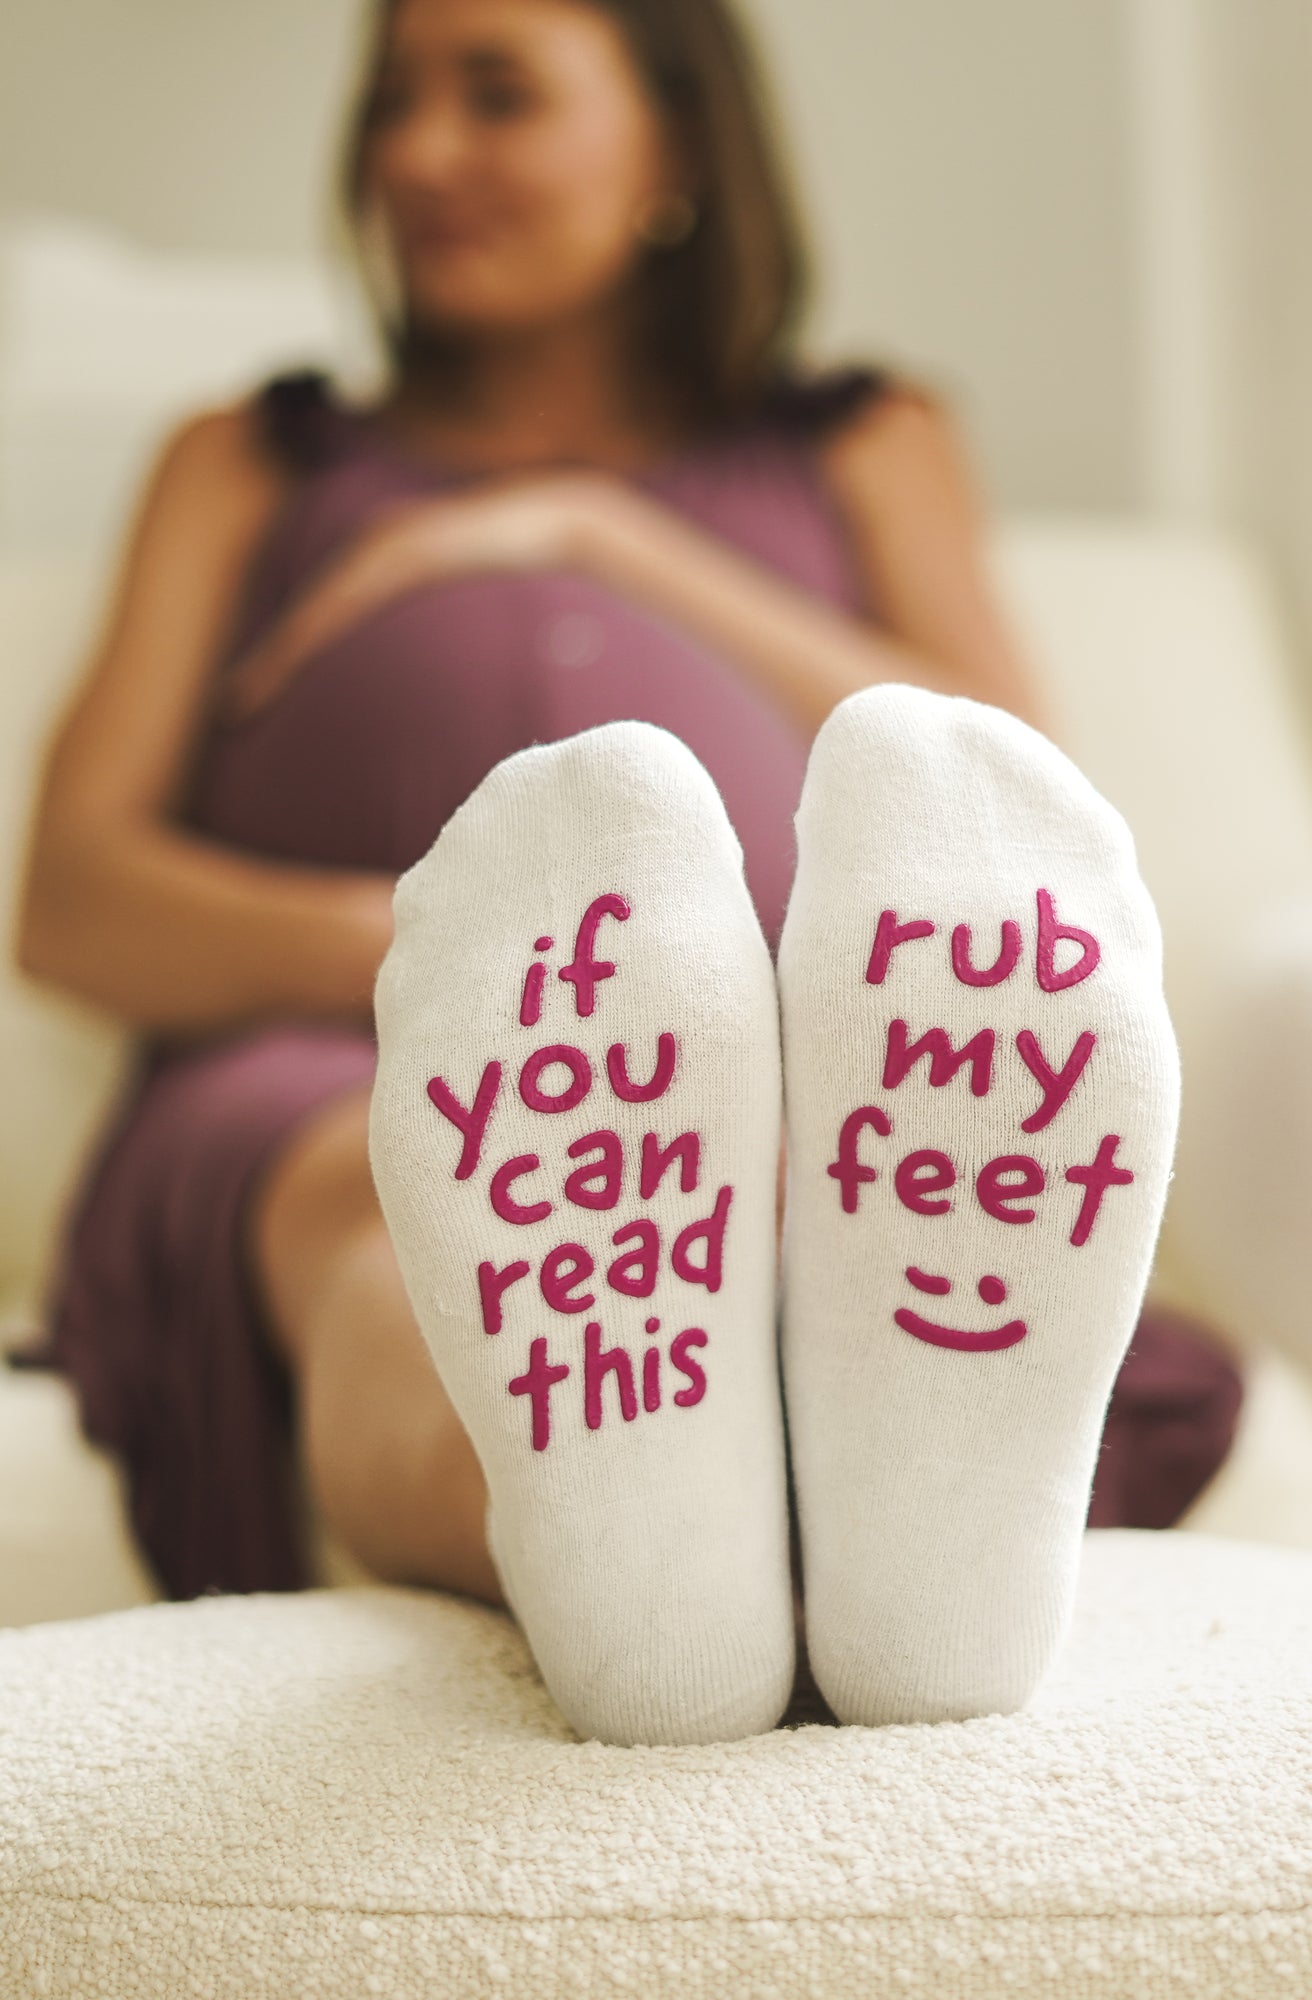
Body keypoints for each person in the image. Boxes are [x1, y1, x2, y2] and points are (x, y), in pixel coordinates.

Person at [12, 0, 1241, 1685]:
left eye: (495, 95)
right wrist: (467, 969)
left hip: (789, 1089)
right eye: (393, 102)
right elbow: (72, 902)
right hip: (321, 1072)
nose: (416, 153)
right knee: (406, 1209)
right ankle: (648, 1560)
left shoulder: (864, 443)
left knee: (783, 1190)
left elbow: (998, 803)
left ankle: (829, 1516)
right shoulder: (247, 464)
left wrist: (604, 535)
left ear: (674, 144)